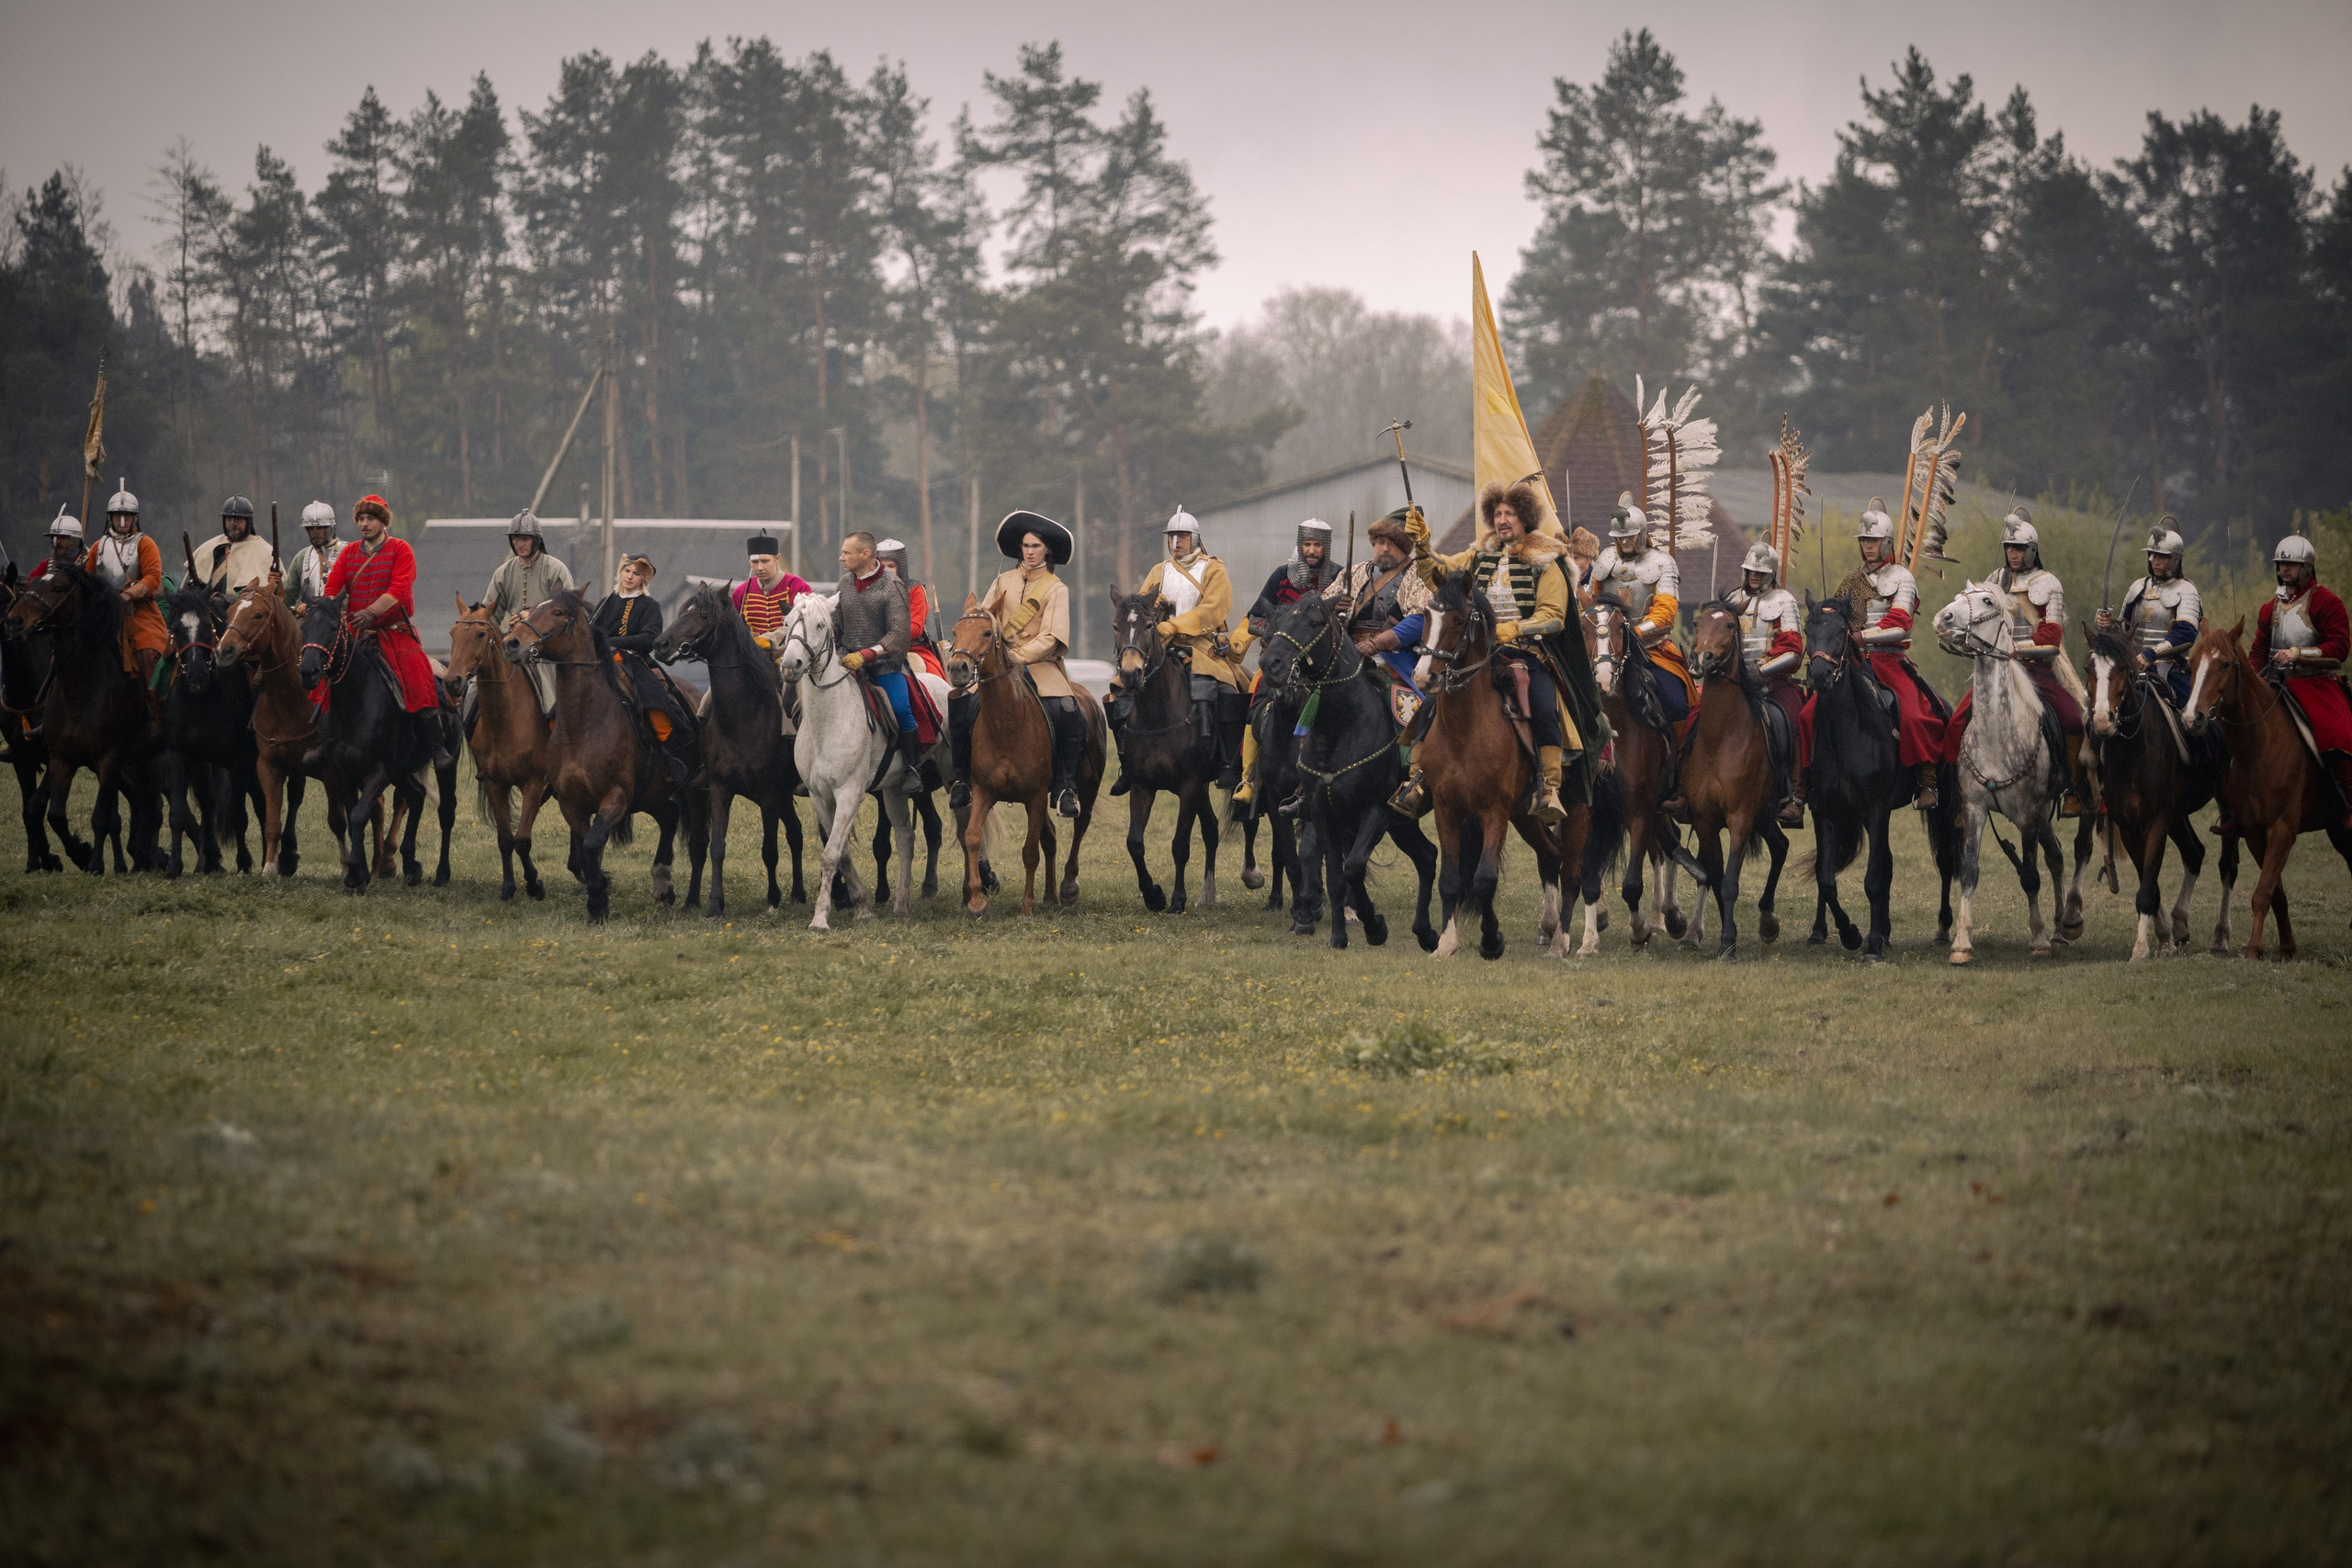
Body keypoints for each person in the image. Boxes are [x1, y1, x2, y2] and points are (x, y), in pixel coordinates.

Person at [1408, 481, 1587, 823]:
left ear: (1526, 518)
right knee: (1433, 701)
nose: (1502, 519)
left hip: (1526, 653)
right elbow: (1440, 576)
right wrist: (1422, 546)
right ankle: (1417, 776)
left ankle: (1549, 787)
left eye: (1510, 513)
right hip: (1479, 653)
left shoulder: (1547, 560)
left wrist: (1514, 629)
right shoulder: (1478, 555)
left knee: (1544, 705)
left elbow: (1553, 617)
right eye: (1498, 513)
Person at [1288, 505, 1433, 818]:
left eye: (1391, 543)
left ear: (1405, 547)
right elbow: (1317, 610)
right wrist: (1332, 605)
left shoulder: (1415, 574)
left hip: (1392, 659)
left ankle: (1412, 776)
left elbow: (1420, 620)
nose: (1384, 548)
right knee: (1313, 702)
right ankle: (1306, 783)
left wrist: (1377, 643)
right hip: (1346, 657)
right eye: (1379, 541)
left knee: (1411, 711)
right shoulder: (1354, 572)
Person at [1941, 506, 2085, 813]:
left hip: (2036, 670)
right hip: (1997, 669)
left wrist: (2016, 649)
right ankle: (1958, 796)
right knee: (1956, 723)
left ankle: (2073, 788)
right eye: (2009, 548)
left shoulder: (2048, 583)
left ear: (2031, 550)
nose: (2013, 554)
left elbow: (2052, 638)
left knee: (2072, 719)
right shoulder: (1993, 581)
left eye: (2019, 548)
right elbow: (1979, 622)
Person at [954, 512, 1087, 818]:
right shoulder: (1002, 581)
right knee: (960, 702)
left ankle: (1064, 787)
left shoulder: (1056, 588)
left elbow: (1052, 637)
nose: (1029, 551)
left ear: (1047, 550)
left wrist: (1018, 656)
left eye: (1036, 546)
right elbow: (984, 618)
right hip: (997, 664)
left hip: (1040, 665)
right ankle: (961, 780)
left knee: (1068, 710)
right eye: (1026, 546)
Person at [1816, 498, 1945, 806]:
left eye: (1873, 541)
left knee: (1914, 715)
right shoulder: (1852, 580)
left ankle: (1926, 782)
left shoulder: (1902, 578)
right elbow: (1836, 619)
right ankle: (1809, 779)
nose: (1868, 546)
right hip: (1851, 662)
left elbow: (1900, 625)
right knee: (1811, 713)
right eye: (1864, 540)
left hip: (1889, 661)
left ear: (1886, 542)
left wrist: (1862, 636)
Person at [1110, 509, 1247, 795]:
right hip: (1159, 646)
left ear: (1194, 538)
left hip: (1201, 646)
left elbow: (1212, 609)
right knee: (1119, 690)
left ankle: (1226, 763)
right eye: (1172, 537)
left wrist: (1175, 625)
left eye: (1182, 536)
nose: (1176, 542)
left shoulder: (1213, 569)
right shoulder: (1158, 571)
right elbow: (1140, 611)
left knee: (1226, 691)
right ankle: (1128, 762)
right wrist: (1154, 606)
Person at [322, 495, 450, 767]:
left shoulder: (401, 549)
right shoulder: (348, 553)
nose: (364, 524)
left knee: (418, 677)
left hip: (394, 631)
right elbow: (333, 588)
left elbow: (400, 590)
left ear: (383, 521)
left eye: (370, 518)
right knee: (324, 674)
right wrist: (333, 609)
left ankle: (436, 746)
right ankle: (323, 741)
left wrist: (371, 613)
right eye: (361, 519)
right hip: (355, 632)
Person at [1588, 494, 1696, 805]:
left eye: (1630, 536)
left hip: (1651, 652)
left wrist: (1632, 633)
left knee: (1677, 703)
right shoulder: (1605, 560)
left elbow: (1665, 612)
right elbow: (1593, 601)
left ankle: (1681, 777)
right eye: (1620, 537)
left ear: (1642, 533)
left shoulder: (1662, 563)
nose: (1624, 542)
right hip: (1607, 652)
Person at [2252, 532, 2352, 828]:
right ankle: (2234, 808)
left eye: (2291, 564)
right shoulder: (2270, 608)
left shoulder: (2326, 602)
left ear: (2306, 568)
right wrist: (2251, 679)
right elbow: (2258, 651)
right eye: (2281, 564)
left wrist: (2297, 653)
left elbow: (2339, 647)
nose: (2284, 569)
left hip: (2315, 683)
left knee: (2339, 734)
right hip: (2274, 683)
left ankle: (2348, 802)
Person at [1714, 540, 1806, 827]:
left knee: (1797, 720)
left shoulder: (1783, 601)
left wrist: (1761, 670)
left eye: (1761, 572)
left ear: (1771, 574)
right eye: (1751, 570)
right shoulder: (1732, 598)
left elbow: (1793, 650)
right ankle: (1686, 787)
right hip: (1733, 684)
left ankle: (1795, 796)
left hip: (1773, 684)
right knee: (1698, 715)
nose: (1754, 575)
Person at [591, 553, 698, 786]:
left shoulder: (650, 606)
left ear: (644, 579)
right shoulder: (605, 603)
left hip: (633, 662)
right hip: (599, 662)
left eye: (636, 573)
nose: (630, 576)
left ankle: (670, 758)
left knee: (655, 704)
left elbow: (650, 638)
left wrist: (613, 643)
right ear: (621, 572)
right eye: (627, 570)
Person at [80, 479, 169, 737]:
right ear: (110, 518)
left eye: (126, 516)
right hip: (103, 614)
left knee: (149, 652)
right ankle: (52, 712)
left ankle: (156, 714)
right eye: (117, 516)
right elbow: (87, 581)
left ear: (134, 518)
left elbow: (153, 577)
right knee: (68, 648)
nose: (122, 521)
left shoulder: (145, 543)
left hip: (139, 613)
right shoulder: (98, 547)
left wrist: (129, 595)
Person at [833, 531, 925, 780]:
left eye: (846, 553)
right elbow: (835, 624)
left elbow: (898, 634)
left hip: (884, 664)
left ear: (865, 554)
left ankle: (913, 768)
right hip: (846, 661)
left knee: (900, 709)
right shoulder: (844, 583)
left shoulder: (892, 586)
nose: (841, 557)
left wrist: (866, 655)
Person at [2098, 519, 2202, 706]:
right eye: (2152, 555)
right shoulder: (2137, 587)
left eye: (2162, 556)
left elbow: (2186, 634)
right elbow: (2124, 630)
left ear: (2175, 559)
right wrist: (2109, 624)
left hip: (2168, 668)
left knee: (2193, 715)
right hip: (2132, 666)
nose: (2155, 561)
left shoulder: (2186, 590)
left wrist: (2151, 654)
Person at [875, 538, 944, 683]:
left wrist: (885, 635)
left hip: (913, 650)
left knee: (934, 680)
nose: (886, 571)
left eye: (891, 566)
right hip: (873, 650)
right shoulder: (869, 590)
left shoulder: (914, 589)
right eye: (882, 566)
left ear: (900, 567)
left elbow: (915, 628)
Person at [735, 532, 810, 648]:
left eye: (765, 561)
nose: (760, 567)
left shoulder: (798, 587)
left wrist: (769, 640)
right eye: (755, 562)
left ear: (777, 558)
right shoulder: (741, 592)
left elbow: (807, 626)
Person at [193, 496, 274, 592]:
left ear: (248, 522)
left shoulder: (264, 550)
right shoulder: (209, 547)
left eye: (239, 519)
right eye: (229, 519)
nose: (234, 524)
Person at [291, 501, 341, 612]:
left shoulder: (347, 553)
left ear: (330, 528)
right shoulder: (301, 557)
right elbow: (288, 595)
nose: (315, 533)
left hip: (339, 618)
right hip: (307, 619)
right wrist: (277, 586)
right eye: (311, 529)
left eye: (320, 528)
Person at [29, 507, 81, 580]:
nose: (58, 541)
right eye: (56, 537)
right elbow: (30, 582)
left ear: (74, 540)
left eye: (63, 537)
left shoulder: (88, 563)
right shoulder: (46, 565)